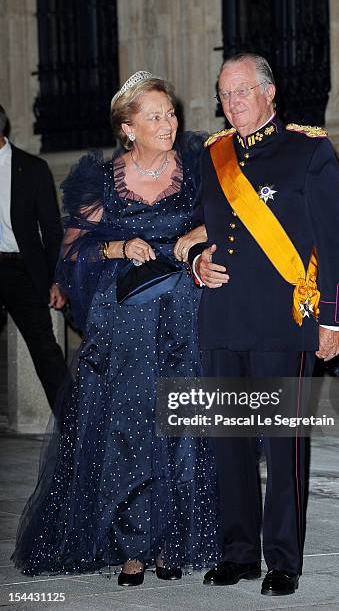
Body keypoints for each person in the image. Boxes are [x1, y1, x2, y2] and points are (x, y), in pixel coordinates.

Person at [12, 72, 219, 585]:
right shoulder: (99, 181)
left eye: (170, 113)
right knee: (128, 424)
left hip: (186, 315)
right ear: (128, 128)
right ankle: (132, 541)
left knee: (183, 422)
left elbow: (231, 218)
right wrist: (119, 248)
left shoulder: (197, 169)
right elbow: (74, 253)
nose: (168, 123)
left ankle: (172, 539)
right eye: (155, 116)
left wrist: (196, 235)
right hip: (126, 318)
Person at [189, 53, 339, 596]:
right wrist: (195, 262)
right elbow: (194, 230)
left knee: (284, 444)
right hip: (223, 317)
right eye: (225, 94)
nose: (232, 104)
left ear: (269, 92)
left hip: (286, 323)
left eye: (242, 92)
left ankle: (283, 558)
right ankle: (238, 553)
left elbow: (334, 241)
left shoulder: (308, 149)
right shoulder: (212, 154)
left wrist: (336, 318)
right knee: (228, 441)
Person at [0, 104, 67, 409]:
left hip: (22, 270)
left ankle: (75, 427)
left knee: (45, 351)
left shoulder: (32, 169)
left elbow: (52, 230)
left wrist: (57, 279)